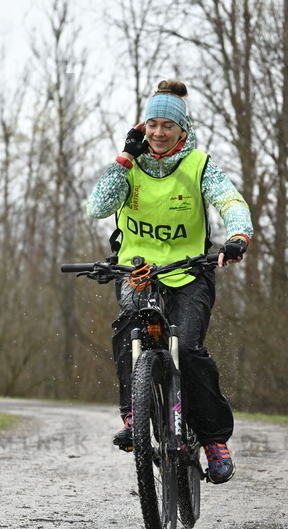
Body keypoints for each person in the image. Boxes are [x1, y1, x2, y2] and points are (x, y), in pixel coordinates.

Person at [85, 79, 253, 485]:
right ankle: (134, 416)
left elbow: (231, 201)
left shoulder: (199, 165)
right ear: (143, 126)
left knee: (190, 349)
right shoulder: (130, 166)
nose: (159, 133)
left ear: (182, 129)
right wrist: (125, 156)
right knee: (129, 331)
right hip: (137, 273)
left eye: (168, 126)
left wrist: (237, 236)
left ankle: (213, 438)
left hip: (189, 272)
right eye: (152, 124)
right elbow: (97, 207)